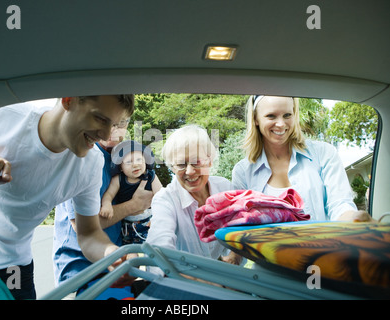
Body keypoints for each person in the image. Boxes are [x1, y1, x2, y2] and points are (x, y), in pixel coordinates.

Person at [0, 95, 135, 299]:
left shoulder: (91, 164)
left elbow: (89, 234)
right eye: (100, 119)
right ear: (68, 99)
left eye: (114, 125)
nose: (105, 134)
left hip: (12, 265)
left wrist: (110, 254)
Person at [232, 95, 374, 222]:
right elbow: (243, 224)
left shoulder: (324, 153)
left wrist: (354, 219)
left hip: (319, 249)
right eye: (271, 116)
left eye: (287, 115)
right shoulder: (243, 171)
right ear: (256, 119)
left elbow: (339, 204)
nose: (281, 124)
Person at [53, 126, 154, 299]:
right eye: (109, 122)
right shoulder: (80, 157)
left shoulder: (124, 160)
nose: (113, 129)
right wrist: (134, 204)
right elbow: (83, 226)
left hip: (116, 269)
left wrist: (128, 250)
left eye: (121, 122)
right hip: (81, 272)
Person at [146, 125, 241, 276]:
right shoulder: (165, 199)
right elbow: (159, 247)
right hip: (182, 281)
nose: (190, 171)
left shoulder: (225, 188)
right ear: (172, 168)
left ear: (209, 161)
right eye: (181, 164)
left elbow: (242, 230)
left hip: (223, 280)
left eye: (197, 162)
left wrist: (235, 257)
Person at [99, 140, 162, 245]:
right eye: (129, 162)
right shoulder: (119, 179)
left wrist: (160, 217)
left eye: (139, 160)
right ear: (120, 167)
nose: (135, 165)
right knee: (129, 250)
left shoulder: (151, 176)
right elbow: (109, 194)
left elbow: (161, 197)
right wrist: (106, 204)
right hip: (127, 224)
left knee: (152, 247)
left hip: (149, 220)